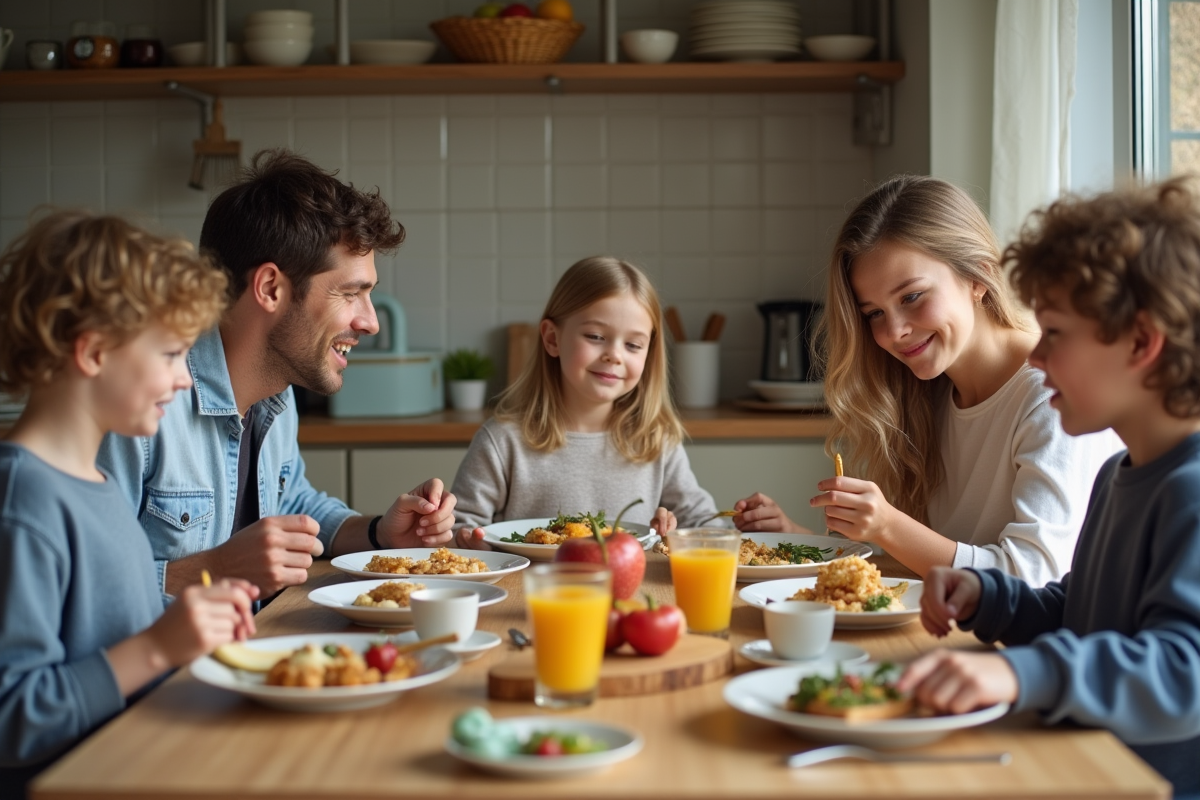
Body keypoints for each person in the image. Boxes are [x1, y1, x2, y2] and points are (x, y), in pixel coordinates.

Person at [898, 178, 1200, 797]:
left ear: (1142, 342)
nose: (1035, 358)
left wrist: (1022, 671)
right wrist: (992, 598)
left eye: (1056, 334)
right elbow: (1088, 621)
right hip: (1085, 766)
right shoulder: (1121, 476)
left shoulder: (1191, 493)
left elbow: (1182, 671)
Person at [97, 150, 457, 601]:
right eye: (350, 293)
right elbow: (80, 590)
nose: (370, 322)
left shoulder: (276, 392)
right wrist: (215, 570)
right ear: (270, 288)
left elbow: (292, 503)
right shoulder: (142, 405)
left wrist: (379, 533)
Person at [733, 175, 1119, 584]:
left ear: (978, 276)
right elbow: (922, 565)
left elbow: (1031, 577)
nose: (893, 332)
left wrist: (888, 526)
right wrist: (799, 542)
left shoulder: (1053, 395)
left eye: (912, 296)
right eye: (874, 313)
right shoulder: (927, 393)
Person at [0, 211, 258, 793]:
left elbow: (111, 645)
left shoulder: (100, 487)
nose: (187, 379)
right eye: (170, 355)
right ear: (92, 352)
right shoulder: (24, 505)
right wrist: (158, 647)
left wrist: (189, 624)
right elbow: (13, 717)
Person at [452, 256, 724, 546]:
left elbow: (705, 525)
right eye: (596, 336)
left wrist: (747, 526)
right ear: (552, 339)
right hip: (534, 590)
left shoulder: (657, 441)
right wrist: (468, 540)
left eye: (633, 345)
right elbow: (461, 526)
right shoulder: (502, 441)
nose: (615, 355)